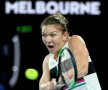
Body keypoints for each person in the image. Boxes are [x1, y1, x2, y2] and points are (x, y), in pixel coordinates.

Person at [39, 12, 101, 90]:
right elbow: (42, 86)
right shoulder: (47, 60)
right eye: (44, 35)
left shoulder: (74, 41)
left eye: (53, 35)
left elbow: (82, 69)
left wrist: (60, 80)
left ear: (65, 35)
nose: (47, 40)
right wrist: (48, 86)